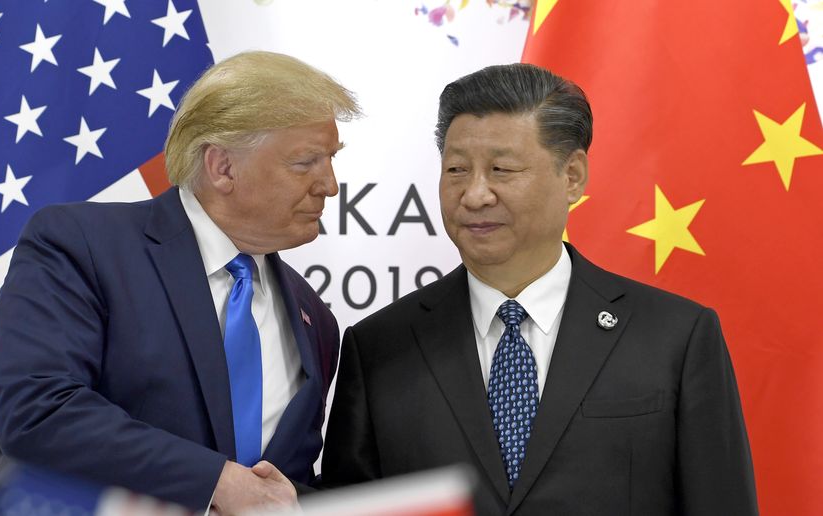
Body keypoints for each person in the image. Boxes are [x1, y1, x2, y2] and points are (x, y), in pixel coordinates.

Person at [321, 63, 758, 515]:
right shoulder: (379, 347)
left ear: (572, 177)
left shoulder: (676, 337)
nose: (474, 194)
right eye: (456, 169)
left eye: (501, 169)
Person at [0, 51, 359, 515]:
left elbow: (277, 488)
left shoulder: (315, 319)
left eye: (331, 160)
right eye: (306, 162)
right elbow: (37, 409)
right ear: (222, 167)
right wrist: (215, 482)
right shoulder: (81, 246)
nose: (331, 185)